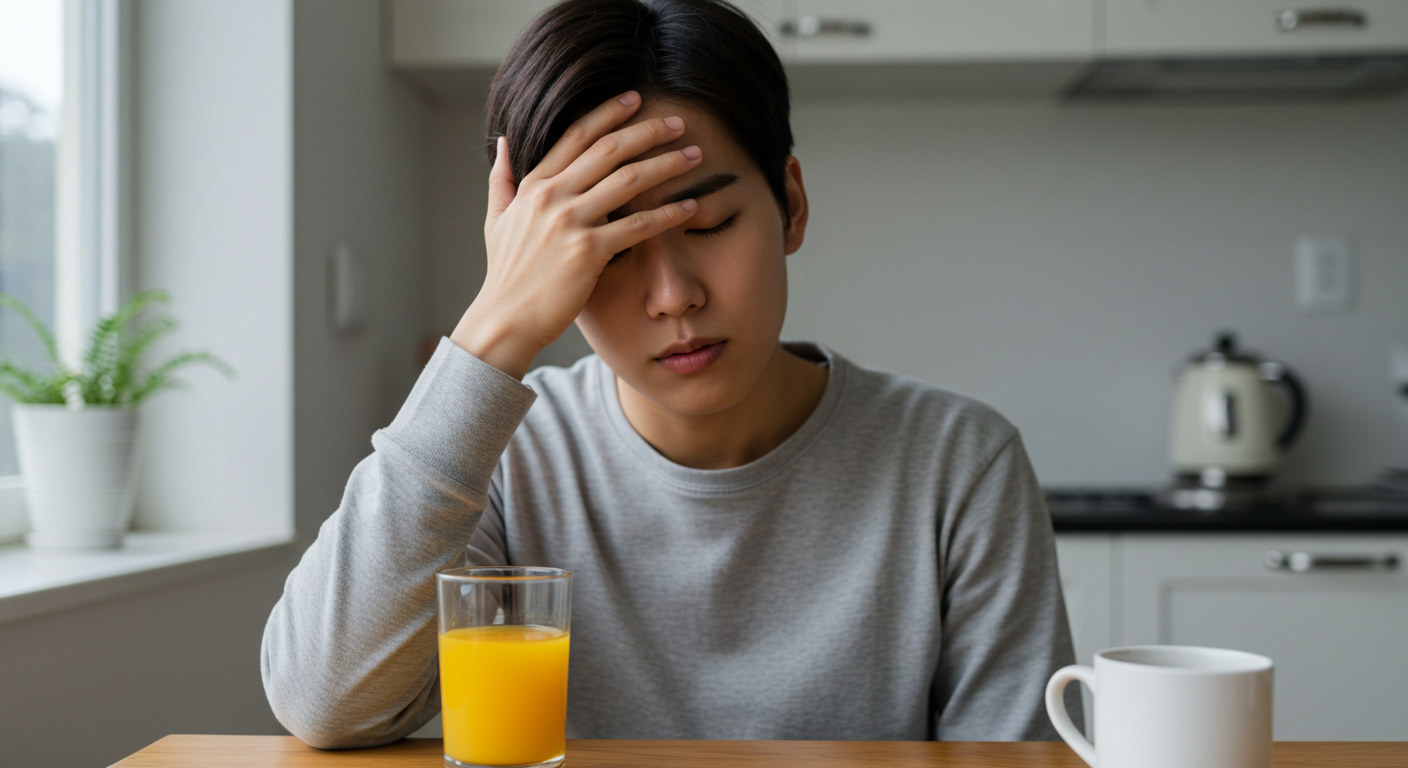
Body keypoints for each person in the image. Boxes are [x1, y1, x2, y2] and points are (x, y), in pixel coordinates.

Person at [261, 0, 1078, 749]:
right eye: (608, 250)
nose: (673, 296)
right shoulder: (506, 458)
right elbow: (324, 703)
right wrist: (492, 330)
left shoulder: (958, 464)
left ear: (791, 205)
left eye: (711, 222)